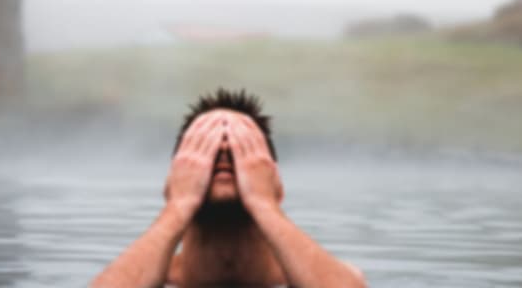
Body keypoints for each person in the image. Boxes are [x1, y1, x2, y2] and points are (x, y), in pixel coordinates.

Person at [91, 89, 366, 288]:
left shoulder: (321, 278)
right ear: (171, 185)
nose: (223, 151)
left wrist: (265, 206)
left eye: (243, 148)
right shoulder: (147, 278)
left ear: (277, 186)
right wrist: (177, 207)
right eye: (204, 147)